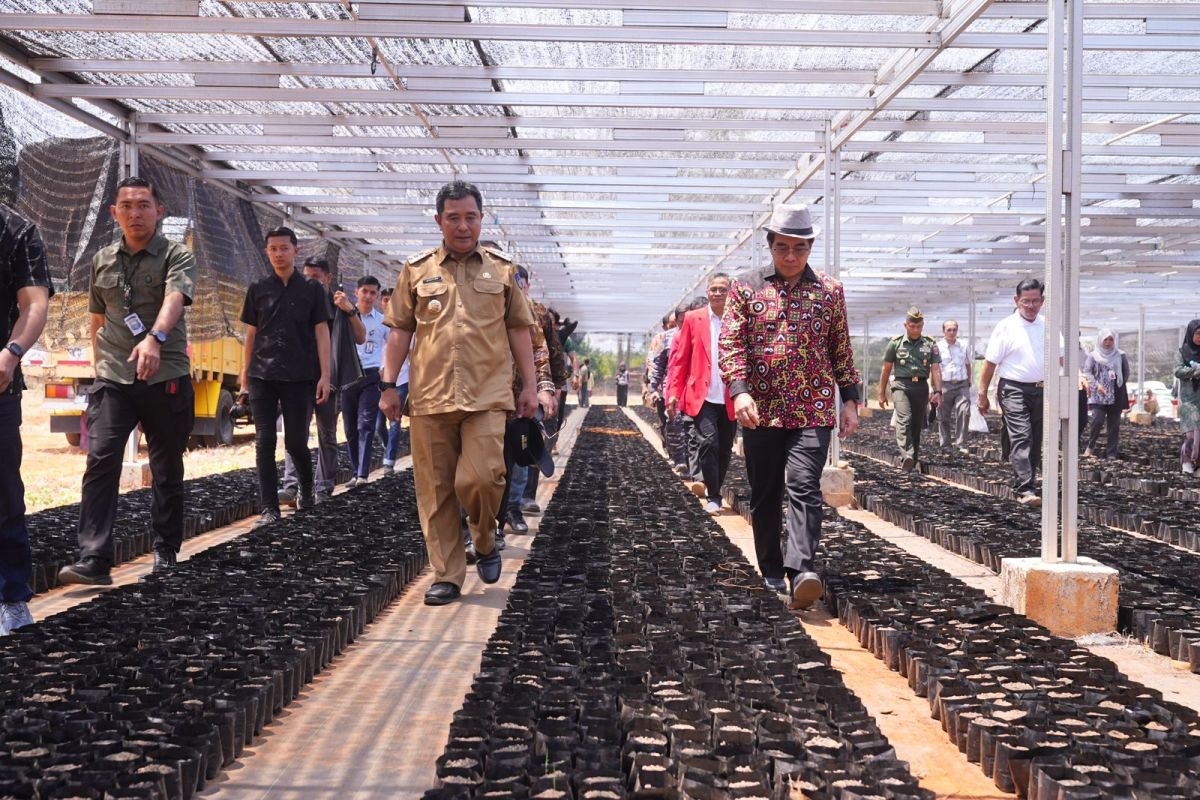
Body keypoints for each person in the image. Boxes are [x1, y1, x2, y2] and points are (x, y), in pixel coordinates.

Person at [378, 180, 538, 607]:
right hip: (429, 397)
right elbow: (399, 332)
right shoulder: (415, 271)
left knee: (484, 478)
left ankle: (484, 540)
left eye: (470, 217)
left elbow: (519, 331)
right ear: (439, 221)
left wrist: (532, 387)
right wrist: (389, 385)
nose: (463, 226)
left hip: (487, 396)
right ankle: (447, 574)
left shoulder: (502, 270)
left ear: (481, 219)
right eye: (454, 218)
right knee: (435, 489)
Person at [719, 203, 860, 610]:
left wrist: (849, 399)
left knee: (803, 486)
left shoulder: (829, 291)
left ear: (811, 247)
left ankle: (801, 571)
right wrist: (740, 390)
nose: (791, 256)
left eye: (799, 248)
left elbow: (840, 349)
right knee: (765, 492)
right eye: (783, 248)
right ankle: (769, 570)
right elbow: (730, 345)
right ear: (770, 246)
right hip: (759, 409)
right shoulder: (745, 288)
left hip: (812, 408)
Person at [58, 177, 197, 586]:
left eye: (143, 205)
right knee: (101, 461)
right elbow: (97, 319)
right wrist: (101, 369)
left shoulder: (176, 255)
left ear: (159, 211)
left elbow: (175, 299)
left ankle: (166, 549)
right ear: (114, 213)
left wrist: (155, 337)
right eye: (127, 206)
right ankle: (94, 558)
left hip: (165, 374)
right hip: (115, 377)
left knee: (166, 465)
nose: (135, 213)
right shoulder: (102, 260)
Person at [238, 227, 332, 527]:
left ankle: (306, 488)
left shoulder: (312, 289)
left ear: (296, 250)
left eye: (284, 248)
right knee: (264, 441)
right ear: (267, 252)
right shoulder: (258, 288)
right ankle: (269, 508)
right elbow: (250, 335)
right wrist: (244, 380)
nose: (279, 254)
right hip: (262, 375)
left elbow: (321, 332)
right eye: (273, 249)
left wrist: (324, 375)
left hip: (299, 375)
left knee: (295, 442)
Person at [1, 205, 51, 632]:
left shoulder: (16, 230)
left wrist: (11, 353)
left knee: (3, 494)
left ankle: (12, 598)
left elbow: (34, 303)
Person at [279, 257, 364, 505]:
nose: (309, 281)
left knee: (327, 434)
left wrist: (350, 310)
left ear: (328, 278)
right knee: (296, 434)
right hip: (299, 379)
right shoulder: (297, 302)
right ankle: (292, 486)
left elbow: (360, 337)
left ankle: (324, 486)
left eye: (315, 277)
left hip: (330, 381)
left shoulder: (338, 305)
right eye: (306, 276)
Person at [496, 261, 557, 539]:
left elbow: (543, 352)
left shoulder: (534, 310)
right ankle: (481, 525)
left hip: (520, 398)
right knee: (484, 466)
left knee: (518, 460)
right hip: (478, 399)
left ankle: (511, 509)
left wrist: (545, 389)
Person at [666, 273, 736, 515]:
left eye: (722, 289)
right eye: (713, 289)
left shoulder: (738, 318)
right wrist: (673, 392)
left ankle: (716, 485)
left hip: (731, 396)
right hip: (702, 395)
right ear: (707, 292)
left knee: (725, 447)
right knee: (708, 441)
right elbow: (680, 360)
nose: (717, 293)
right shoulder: (694, 319)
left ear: (730, 292)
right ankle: (714, 495)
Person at [977, 278, 1046, 506]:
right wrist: (982, 394)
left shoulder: (1048, 326)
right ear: (1017, 300)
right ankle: (1026, 489)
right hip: (1013, 388)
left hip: (1041, 389)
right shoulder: (1006, 326)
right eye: (1026, 301)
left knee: (1035, 439)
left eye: (1035, 301)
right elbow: (989, 363)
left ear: (1042, 301)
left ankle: (1024, 482)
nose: (1030, 306)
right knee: (1022, 435)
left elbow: (1061, 357)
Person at [878, 308, 942, 472]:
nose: (916, 330)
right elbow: (886, 369)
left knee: (916, 424)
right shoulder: (895, 343)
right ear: (905, 325)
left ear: (923, 325)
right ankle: (907, 454)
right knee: (904, 418)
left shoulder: (929, 343)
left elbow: (935, 369)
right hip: (901, 385)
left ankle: (912, 460)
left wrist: (938, 391)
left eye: (919, 326)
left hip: (920, 386)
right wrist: (881, 393)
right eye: (912, 326)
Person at [342, 275, 387, 486]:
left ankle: (362, 474)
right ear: (356, 292)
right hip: (348, 377)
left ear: (377, 295)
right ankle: (355, 471)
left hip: (371, 376)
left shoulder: (382, 321)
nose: (368, 296)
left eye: (372, 292)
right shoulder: (345, 317)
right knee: (350, 427)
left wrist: (385, 371)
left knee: (365, 424)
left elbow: (393, 346)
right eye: (365, 291)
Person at [1082, 329, 1130, 459]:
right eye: (1106, 339)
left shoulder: (1120, 355)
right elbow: (1087, 372)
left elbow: (1126, 373)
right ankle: (1091, 446)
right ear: (1100, 340)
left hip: (1116, 394)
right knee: (1097, 421)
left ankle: (1111, 453)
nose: (1108, 343)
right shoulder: (1093, 355)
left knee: (1114, 426)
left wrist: (1116, 385)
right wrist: (1097, 385)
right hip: (1099, 395)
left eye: (1111, 340)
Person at [935, 319, 973, 452]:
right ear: (943, 331)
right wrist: (935, 389)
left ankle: (961, 443)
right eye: (949, 330)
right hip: (944, 385)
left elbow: (968, 364)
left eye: (954, 330)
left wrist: (969, 382)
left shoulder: (964, 345)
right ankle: (945, 444)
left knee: (964, 411)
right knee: (943, 415)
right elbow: (934, 369)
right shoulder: (937, 347)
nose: (952, 332)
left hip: (961, 384)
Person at [1174, 319, 1200, 475]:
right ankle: (1187, 460)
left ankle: (1197, 464)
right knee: (1191, 433)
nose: (1199, 337)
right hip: (1189, 398)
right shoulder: (1182, 352)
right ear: (1191, 334)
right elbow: (1178, 371)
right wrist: (1196, 371)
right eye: (1197, 334)